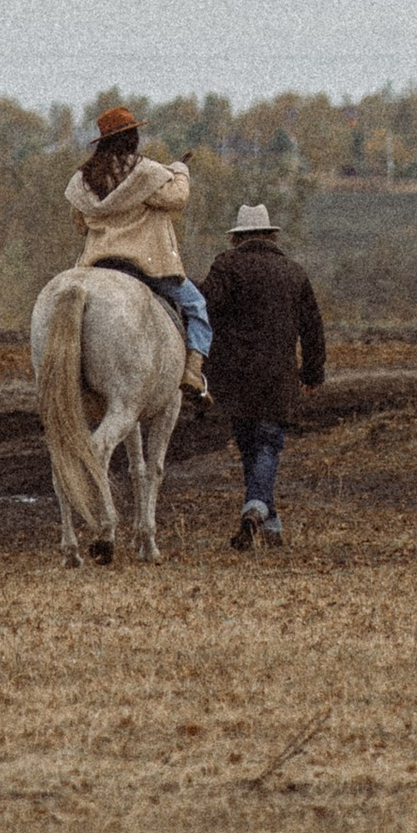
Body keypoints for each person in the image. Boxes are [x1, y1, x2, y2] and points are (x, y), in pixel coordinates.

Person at [201, 203, 326, 547]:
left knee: (248, 446)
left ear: (238, 237)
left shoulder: (227, 266)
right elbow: (312, 328)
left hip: (234, 377)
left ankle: (263, 517)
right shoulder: (294, 272)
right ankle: (261, 513)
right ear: (271, 235)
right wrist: (312, 373)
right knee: (268, 444)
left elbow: (204, 305)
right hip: (278, 377)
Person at [64, 109, 211, 399]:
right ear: (132, 136)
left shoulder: (84, 179)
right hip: (144, 266)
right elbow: (177, 198)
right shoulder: (145, 173)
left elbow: (80, 224)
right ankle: (193, 371)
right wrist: (180, 171)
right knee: (196, 306)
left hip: (97, 264)